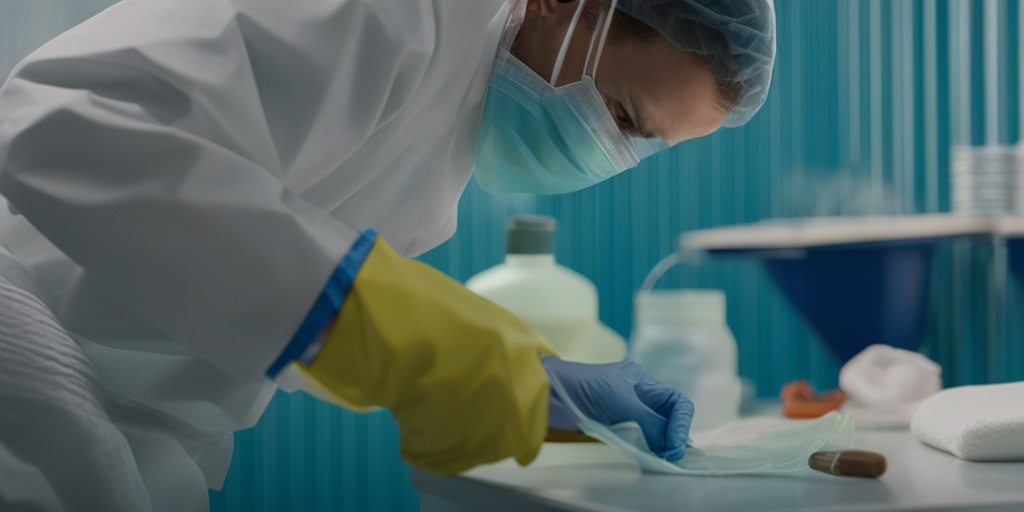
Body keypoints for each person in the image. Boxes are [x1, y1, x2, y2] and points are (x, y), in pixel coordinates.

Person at [0, 0, 775, 510]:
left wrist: (527, 385)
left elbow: (290, 291)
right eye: (620, 116)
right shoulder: (402, 13)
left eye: (640, 148)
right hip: (30, 359)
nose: (608, 152)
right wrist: (455, 358)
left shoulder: (454, 120)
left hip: (154, 432)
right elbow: (65, 118)